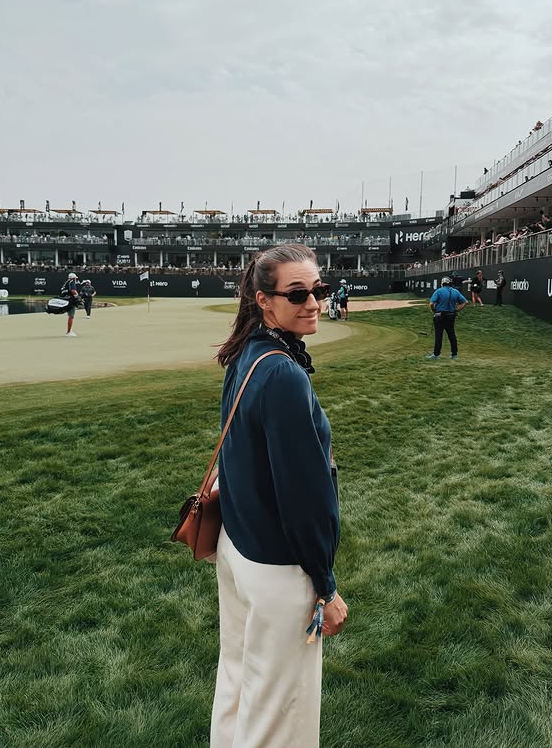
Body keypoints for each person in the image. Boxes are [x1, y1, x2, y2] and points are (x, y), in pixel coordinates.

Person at [212, 244, 347, 747]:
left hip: (238, 545)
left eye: (319, 290)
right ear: (265, 301)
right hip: (275, 567)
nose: (313, 302)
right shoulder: (281, 372)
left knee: (239, 683)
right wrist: (326, 588)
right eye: (298, 294)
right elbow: (305, 497)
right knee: (278, 715)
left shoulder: (248, 352)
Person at [427, 275, 468, 360]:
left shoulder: (438, 291)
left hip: (439, 315)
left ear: (442, 283)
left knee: (439, 335)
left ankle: (436, 354)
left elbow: (431, 303)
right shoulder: (455, 291)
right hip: (451, 315)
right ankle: (454, 354)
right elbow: (465, 302)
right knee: (452, 335)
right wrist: (456, 311)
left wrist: (434, 310)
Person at [60, 272, 81, 336]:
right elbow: (73, 291)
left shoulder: (66, 283)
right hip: (70, 301)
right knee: (71, 316)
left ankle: (69, 330)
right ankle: (69, 332)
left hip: (66, 300)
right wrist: (77, 297)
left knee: (70, 316)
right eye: (75, 278)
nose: (75, 280)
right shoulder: (72, 282)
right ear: (73, 278)